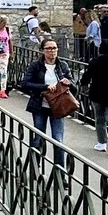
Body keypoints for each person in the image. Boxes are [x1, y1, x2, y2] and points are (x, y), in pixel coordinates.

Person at [21, 39, 75, 167]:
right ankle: (35, 168)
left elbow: (74, 87)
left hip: (58, 106)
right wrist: (45, 87)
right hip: (40, 105)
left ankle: (59, 172)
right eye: (49, 48)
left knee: (58, 139)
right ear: (42, 51)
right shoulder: (36, 65)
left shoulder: (63, 66)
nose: (52, 51)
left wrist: (69, 83)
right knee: (39, 137)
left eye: (54, 48)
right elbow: (25, 84)